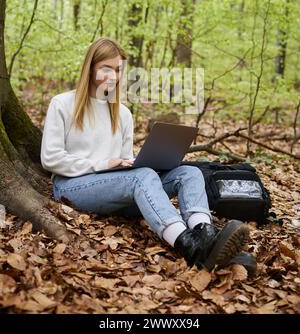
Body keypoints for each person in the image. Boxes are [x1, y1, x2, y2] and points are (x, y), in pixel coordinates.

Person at [41, 37, 256, 273]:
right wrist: (102, 164)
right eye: (106, 68)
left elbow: (126, 162)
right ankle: (188, 245)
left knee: (189, 173)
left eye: (118, 70)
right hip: (71, 187)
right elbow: (50, 158)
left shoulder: (122, 114)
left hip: (115, 186)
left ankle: (206, 235)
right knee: (140, 176)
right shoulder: (62, 104)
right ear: (90, 66)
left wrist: (142, 163)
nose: (113, 76)